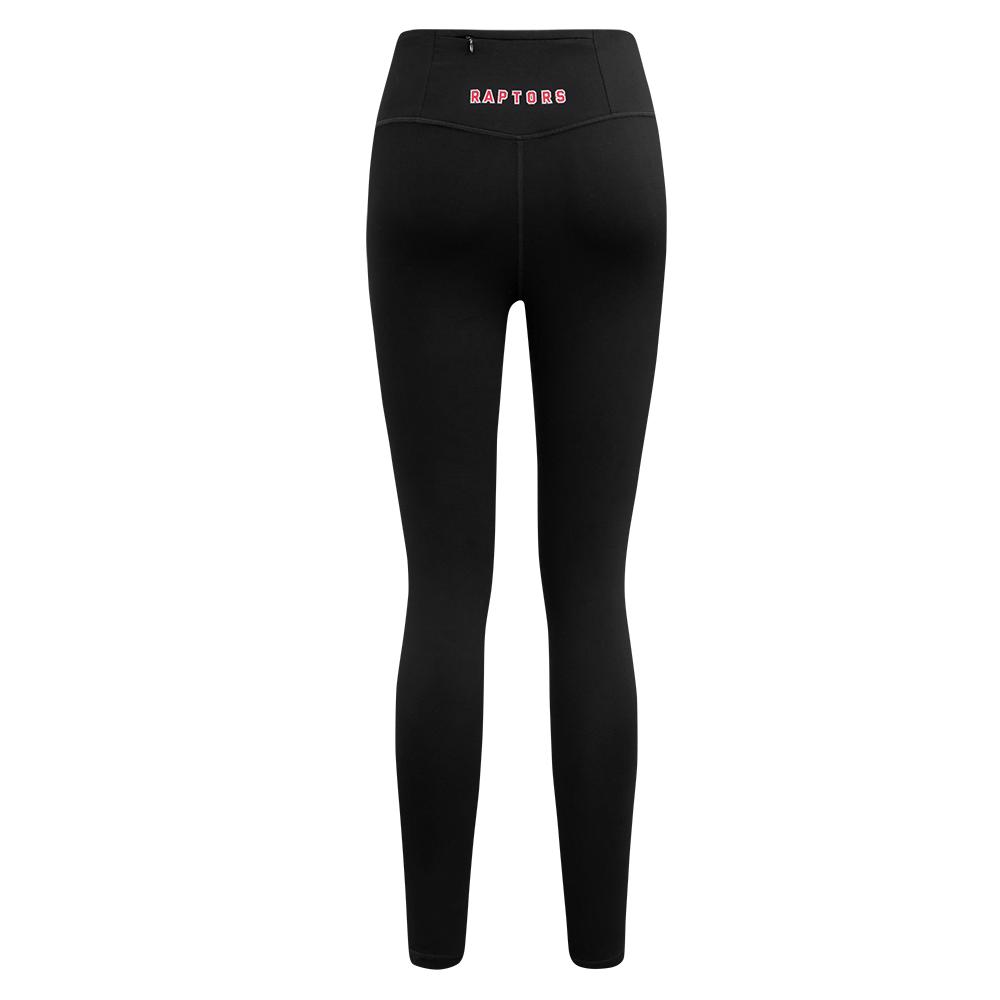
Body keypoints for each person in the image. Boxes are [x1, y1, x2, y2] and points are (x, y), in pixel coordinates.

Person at [367, 29, 667, 968]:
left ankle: (433, 970)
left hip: (433, 114)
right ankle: (600, 970)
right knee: (593, 587)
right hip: (611, 114)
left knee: (444, 586)